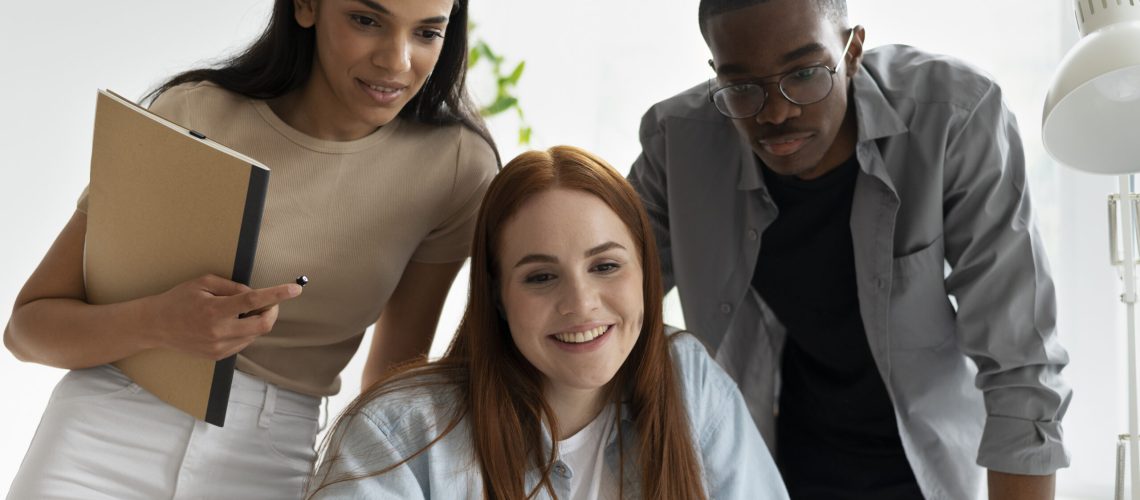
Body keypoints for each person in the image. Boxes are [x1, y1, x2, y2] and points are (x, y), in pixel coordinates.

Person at [4, 0, 497, 498]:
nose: (396, 61)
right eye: (366, 21)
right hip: (106, 427)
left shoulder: (455, 167)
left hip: (271, 457)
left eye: (427, 33)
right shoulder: (195, 112)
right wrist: (159, 321)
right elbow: (27, 330)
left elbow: (391, 382)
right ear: (306, 7)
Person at [626, 0, 1071, 499]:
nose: (776, 111)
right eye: (741, 86)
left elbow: (1020, 362)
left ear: (853, 49)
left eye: (805, 73)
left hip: (934, 468)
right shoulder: (677, 144)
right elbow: (608, 306)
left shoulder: (954, 117)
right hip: (766, 469)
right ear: (715, 74)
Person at [305, 146, 790, 499]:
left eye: (605, 266)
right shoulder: (398, 431)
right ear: (497, 295)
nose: (580, 304)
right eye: (540, 277)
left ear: (646, 271)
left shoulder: (689, 378)